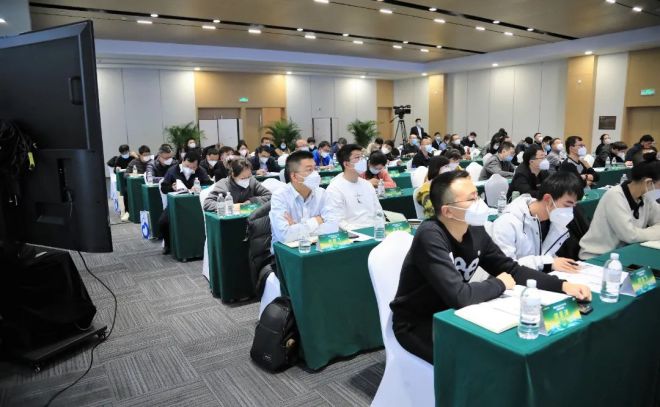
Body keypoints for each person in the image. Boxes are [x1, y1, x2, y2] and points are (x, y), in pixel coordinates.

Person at [390, 170, 591, 363]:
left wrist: (562, 286)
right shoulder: (430, 235)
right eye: (471, 199)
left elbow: (512, 270)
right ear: (447, 211)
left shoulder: (476, 231)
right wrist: (500, 283)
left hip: (456, 314)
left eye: (477, 195)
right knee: (485, 359)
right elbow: (460, 296)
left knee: (512, 347)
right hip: (418, 322)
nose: (479, 203)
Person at [492, 172, 585, 272]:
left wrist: (556, 262)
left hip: (539, 277)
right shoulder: (507, 223)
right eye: (567, 205)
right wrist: (547, 263)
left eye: (573, 206)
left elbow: (544, 254)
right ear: (548, 199)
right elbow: (504, 266)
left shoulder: (555, 222)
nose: (570, 211)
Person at [579, 154, 660, 259]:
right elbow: (630, 235)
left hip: (624, 253)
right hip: (597, 256)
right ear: (648, 182)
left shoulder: (645, 197)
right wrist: (656, 231)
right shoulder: (615, 196)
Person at [269, 150, 336, 246]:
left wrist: (297, 228)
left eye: (315, 168)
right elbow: (285, 236)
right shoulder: (280, 196)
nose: (315, 174)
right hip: (286, 251)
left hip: (318, 246)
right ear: (294, 176)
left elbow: (333, 227)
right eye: (309, 170)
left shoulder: (322, 193)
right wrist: (316, 221)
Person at [159, 152, 212, 254]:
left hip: (196, 204)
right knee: (163, 222)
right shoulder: (172, 170)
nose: (190, 169)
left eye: (193, 167)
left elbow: (209, 185)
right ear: (183, 161)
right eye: (187, 166)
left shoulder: (200, 171)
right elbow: (164, 188)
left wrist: (199, 187)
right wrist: (172, 187)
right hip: (176, 204)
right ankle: (168, 245)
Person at [325, 144, 383, 230]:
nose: (362, 161)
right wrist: (360, 232)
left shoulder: (367, 185)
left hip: (375, 230)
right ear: (346, 164)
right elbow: (338, 220)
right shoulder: (334, 189)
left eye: (362, 157)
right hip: (353, 233)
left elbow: (378, 211)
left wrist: (379, 227)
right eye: (357, 157)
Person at [203, 157, 271, 212]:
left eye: (249, 176)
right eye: (243, 178)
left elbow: (269, 195)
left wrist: (251, 201)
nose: (247, 180)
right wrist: (230, 206)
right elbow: (207, 203)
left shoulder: (252, 181)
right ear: (233, 175)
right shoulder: (223, 184)